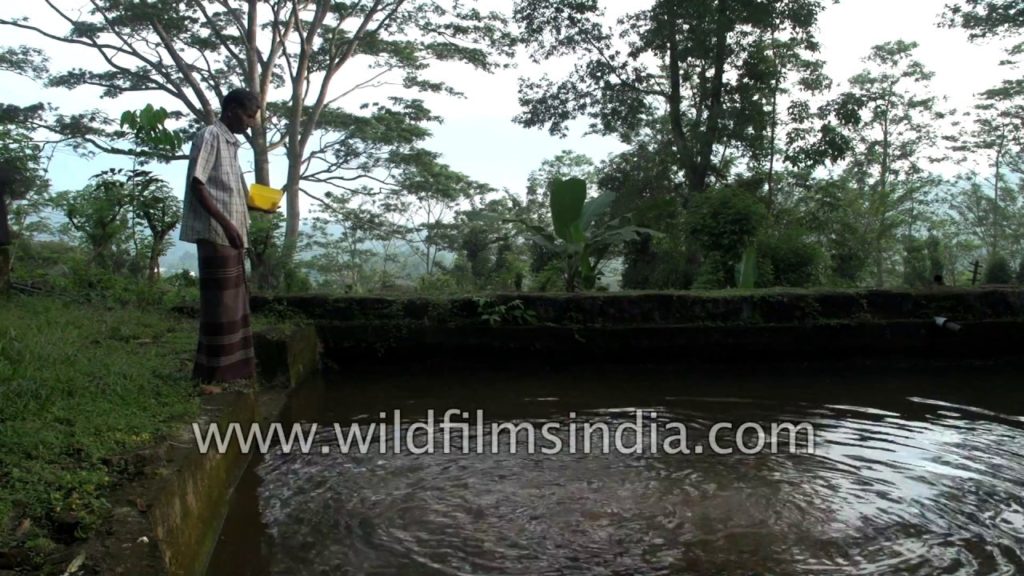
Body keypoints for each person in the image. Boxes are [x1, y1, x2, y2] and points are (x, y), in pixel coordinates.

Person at [179, 88, 261, 384]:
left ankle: (232, 372)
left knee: (234, 303)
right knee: (220, 306)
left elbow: (230, 191)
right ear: (232, 110)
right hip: (216, 233)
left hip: (232, 233)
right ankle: (211, 375)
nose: (250, 123)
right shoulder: (210, 136)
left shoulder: (231, 145)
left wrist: (259, 205)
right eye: (248, 116)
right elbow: (198, 184)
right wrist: (226, 225)